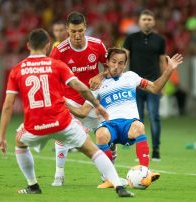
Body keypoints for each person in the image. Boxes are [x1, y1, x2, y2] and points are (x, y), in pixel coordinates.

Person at [0, 28, 134, 197]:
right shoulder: (57, 65)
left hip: (34, 125)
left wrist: (2, 136)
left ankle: (33, 185)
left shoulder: (17, 69)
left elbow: (8, 105)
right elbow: (80, 87)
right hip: (61, 122)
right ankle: (118, 185)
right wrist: (96, 104)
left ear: (27, 45)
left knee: (19, 141)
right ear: (47, 46)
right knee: (93, 150)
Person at [66, 48, 183, 188]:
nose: (116, 66)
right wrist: (63, 103)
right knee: (101, 134)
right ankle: (110, 179)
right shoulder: (97, 85)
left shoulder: (131, 77)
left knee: (139, 127)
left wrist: (169, 69)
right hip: (110, 125)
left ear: (125, 64)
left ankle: (145, 173)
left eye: (121, 63)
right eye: (113, 62)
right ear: (107, 62)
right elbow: (83, 112)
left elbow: (155, 88)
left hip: (129, 124)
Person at [49, 11, 109, 186]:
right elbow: (51, 78)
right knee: (63, 135)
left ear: (86, 28)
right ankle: (59, 174)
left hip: (93, 98)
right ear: (67, 29)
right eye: (73, 31)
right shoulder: (59, 51)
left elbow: (112, 67)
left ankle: (106, 175)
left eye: (80, 31)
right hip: (70, 99)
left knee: (106, 136)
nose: (77, 35)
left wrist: (101, 75)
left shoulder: (97, 45)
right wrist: (60, 100)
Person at [123, 9, 167, 161]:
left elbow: (162, 61)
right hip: (135, 85)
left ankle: (155, 150)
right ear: (139, 22)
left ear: (153, 22)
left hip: (153, 84)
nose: (147, 21)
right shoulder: (131, 38)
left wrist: (163, 84)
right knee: (137, 118)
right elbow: (124, 58)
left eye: (149, 19)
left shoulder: (160, 40)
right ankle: (140, 150)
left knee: (154, 117)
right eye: (144, 19)